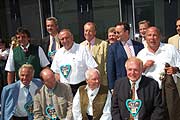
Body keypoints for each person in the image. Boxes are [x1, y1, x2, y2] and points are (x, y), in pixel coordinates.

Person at [137, 26, 180, 119]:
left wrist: (175, 69)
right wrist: (144, 67)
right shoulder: (141, 54)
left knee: (172, 115)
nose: (152, 38)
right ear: (145, 38)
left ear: (159, 37)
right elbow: (135, 74)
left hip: (168, 91)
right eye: (149, 35)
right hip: (150, 93)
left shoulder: (170, 49)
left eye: (155, 35)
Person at [51, 29, 97, 96]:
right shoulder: (58, 53)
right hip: (65, 88)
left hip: (81, 87)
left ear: (72, 37)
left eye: (67, 38)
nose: (65, 41)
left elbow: (92, 69)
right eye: (62, 39)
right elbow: (56, 73)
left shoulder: (82, 49)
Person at [107, 22, 144, 91]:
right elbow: (110, 69)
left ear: (126, 32)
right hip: (122, 85)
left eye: (118, 33)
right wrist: (112, 88)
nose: (116, 35)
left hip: (139, 83)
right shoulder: (113, 48)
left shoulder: (139, 46)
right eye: (115, 33)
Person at [81, 22, 108, 87]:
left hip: (101, 82)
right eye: (86, 31)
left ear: (95, 32)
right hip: (86, 83)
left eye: (90, 31)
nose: (87, 33)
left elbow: (106, 65)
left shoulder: (103, 44)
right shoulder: (80, 46)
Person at [168, 17, 180, 95]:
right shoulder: (171, 40)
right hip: (177, 75)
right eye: (177, 26)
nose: (178, 28)